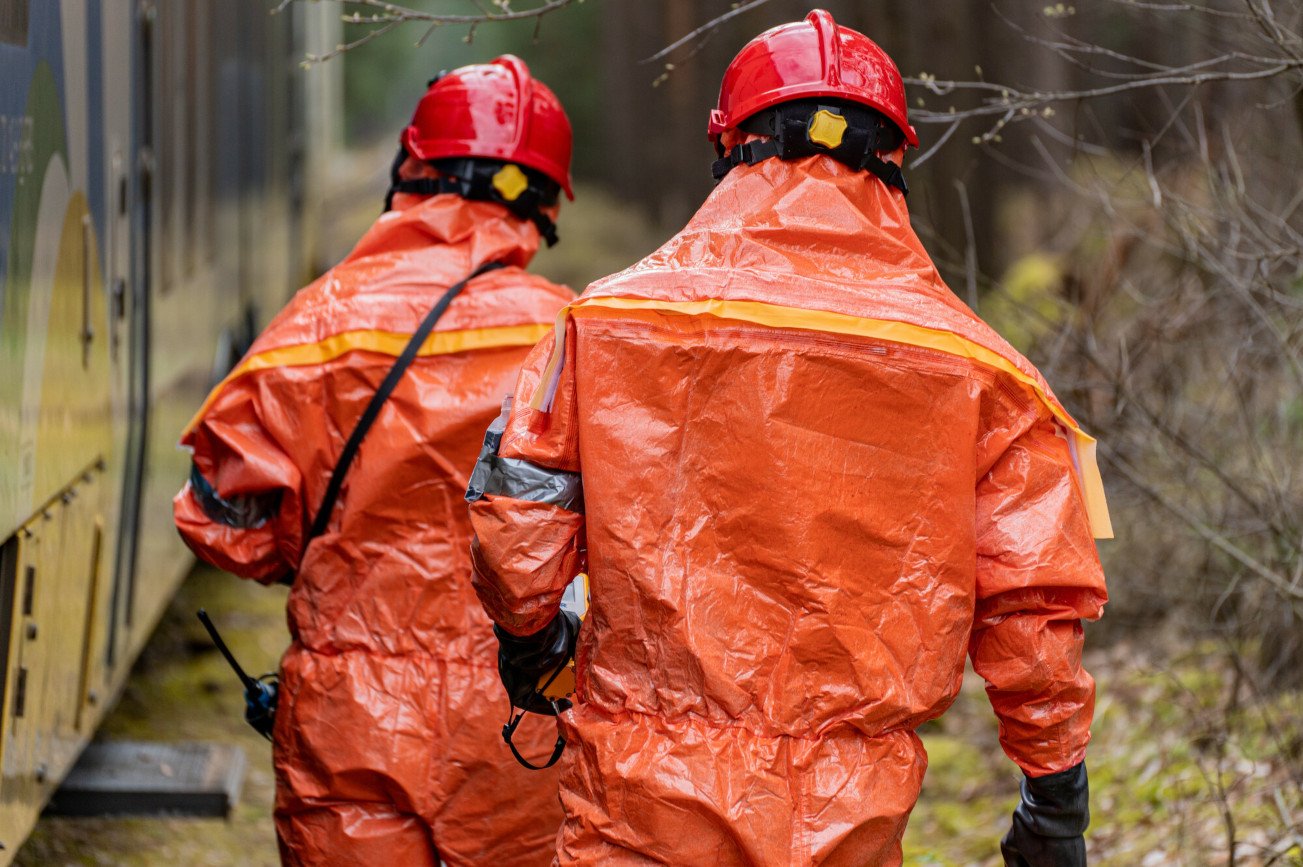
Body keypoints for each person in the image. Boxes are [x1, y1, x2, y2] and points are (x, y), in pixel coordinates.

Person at [465, 12, 1111, 866]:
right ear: (894, 156)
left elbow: (519, 510)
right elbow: (1039, 606)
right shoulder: (991, 374)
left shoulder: (604, 322)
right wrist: (1053, 800)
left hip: (643, 797)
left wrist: (532, 641)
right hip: (850, 813)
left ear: (728, 141)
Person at [175, 56, 575, 866]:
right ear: (542, 200)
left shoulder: (321, 320)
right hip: (523, 718)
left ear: (413, 168)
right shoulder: (577, 332)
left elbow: (224, 523)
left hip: (351, 718)